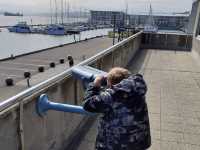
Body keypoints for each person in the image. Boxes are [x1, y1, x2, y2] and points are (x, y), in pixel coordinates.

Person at [83, 67, 151, 150]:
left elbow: (88, 104)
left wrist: (95, 85)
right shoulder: (137, 87)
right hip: (139, 143)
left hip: (117, 145)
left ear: (111, 85)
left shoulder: (112, 96)